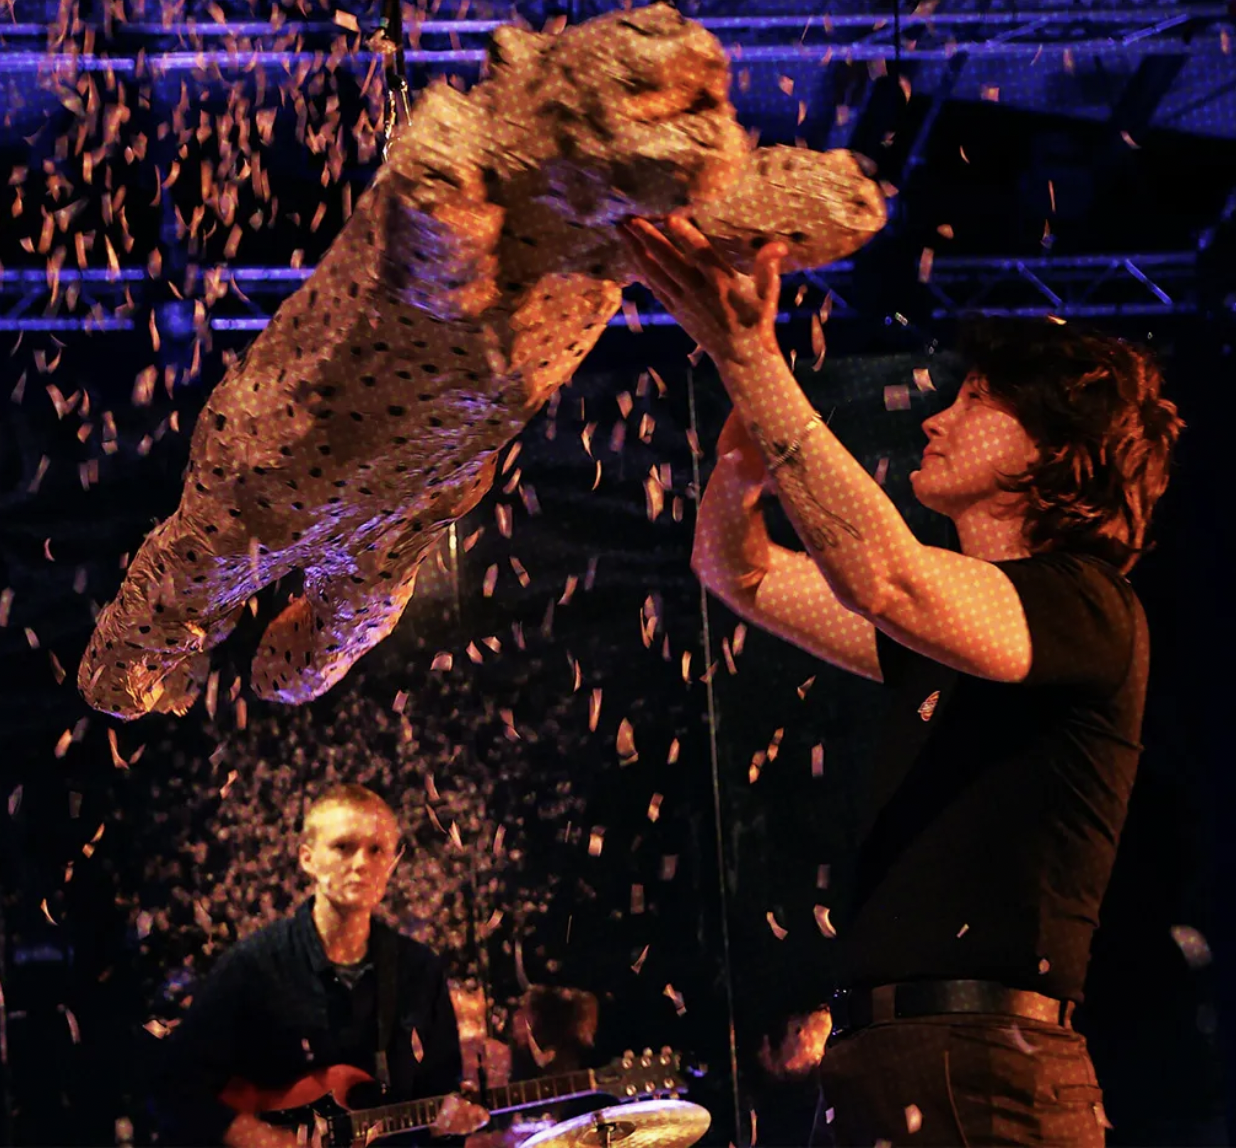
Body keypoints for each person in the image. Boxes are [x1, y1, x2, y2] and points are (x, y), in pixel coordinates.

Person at [621, 215, 1183, 1147]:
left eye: (975, 399)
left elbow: (886, 576)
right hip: (888, 1058)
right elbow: (740, 572)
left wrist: (756, 363)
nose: (935, 417)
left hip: (987, 1067)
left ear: (1051, 449)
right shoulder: (954, 633)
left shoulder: (1087, 607)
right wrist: (735, 458)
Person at [151, 784, 491, 1147]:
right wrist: (259, 1137)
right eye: (343, 847)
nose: (361, 863)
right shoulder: (254, 965)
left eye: (376, 850)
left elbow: (440, 1096)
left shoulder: (419, 970)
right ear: (307, 859)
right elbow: (174, 1086)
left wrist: (446, 1127)